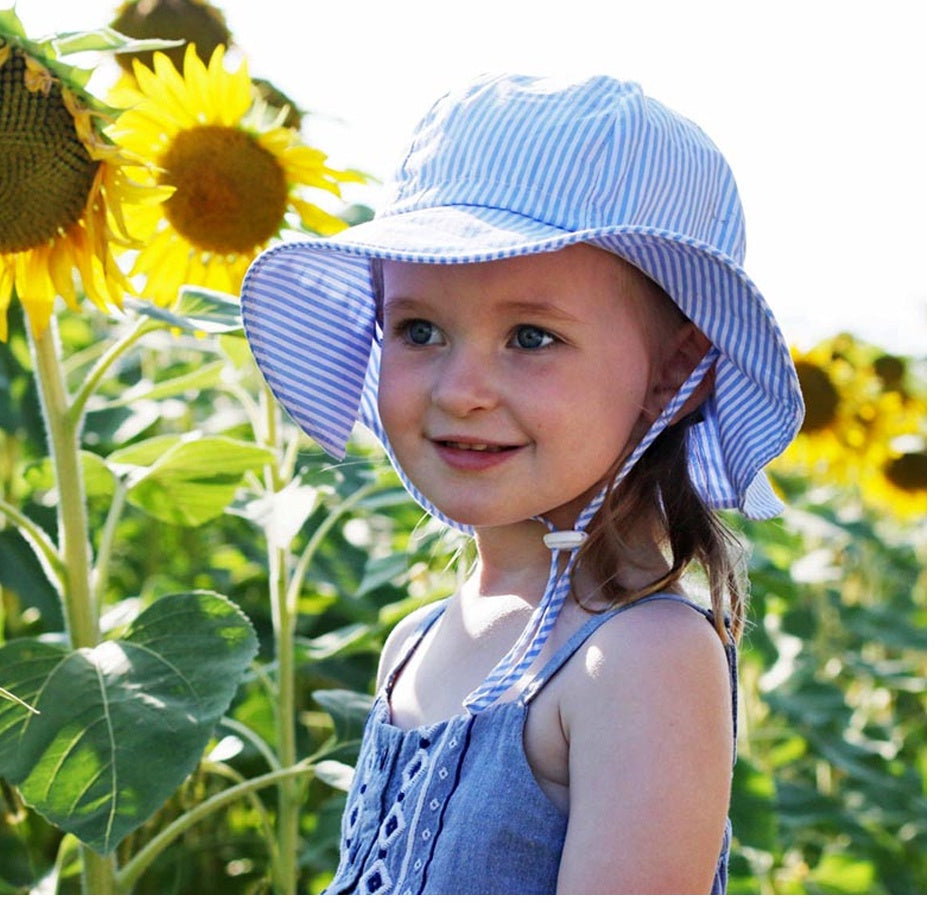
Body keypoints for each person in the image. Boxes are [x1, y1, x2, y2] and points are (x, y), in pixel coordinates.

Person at [240, 73, 804, 895]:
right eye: (419, 329)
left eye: (531, 336)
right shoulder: (417, 641)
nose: (460, 388)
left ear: (672, 369)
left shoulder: (641, 657)